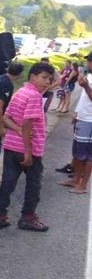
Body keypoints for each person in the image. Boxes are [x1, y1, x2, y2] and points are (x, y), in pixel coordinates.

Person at [0, 62, 55, 232]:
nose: (47, 82)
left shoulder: (20, 92)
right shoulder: (34, 96)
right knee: (34, 184)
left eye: (49, 79)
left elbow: (6, 118)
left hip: (11, 146)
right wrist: (28, 151)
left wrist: (17, 130)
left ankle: (0, 216)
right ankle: (28, 217)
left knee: (8, 183)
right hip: (29, 149)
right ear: (32, 76)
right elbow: (27, 123)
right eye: (43, 77)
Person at [59, 53, 92, 194]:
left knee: (88, 155)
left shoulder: (87, 80)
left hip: (90, 121)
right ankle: (75, 179)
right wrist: (77, 113)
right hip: (83, 118)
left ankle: (83, 185)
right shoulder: (89, 76)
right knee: (77, 153)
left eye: (89, 61)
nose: (88, 64)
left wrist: (86, 87)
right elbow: (84, 99)